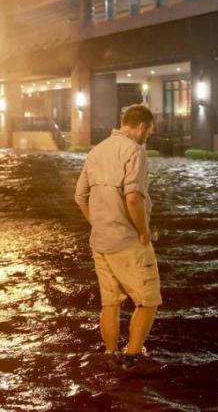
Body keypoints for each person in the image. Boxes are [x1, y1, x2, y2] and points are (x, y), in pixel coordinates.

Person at [74, 104, 161, 373]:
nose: (148, 136)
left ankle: (111, 354)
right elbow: (133, 197)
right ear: (142, 127)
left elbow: (79, 197)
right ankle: (132, 356)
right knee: (148, 300)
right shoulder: (135, 150)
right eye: (150, 131)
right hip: (127, 241)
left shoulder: (96, 150)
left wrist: (98, 223)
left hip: (100, 240)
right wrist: (143, 231)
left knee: (109, 303)